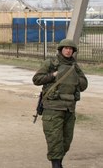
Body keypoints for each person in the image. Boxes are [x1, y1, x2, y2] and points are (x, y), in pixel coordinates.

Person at [32, 39, 88, 168]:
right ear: (61, 49)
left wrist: (75, 78)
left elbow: (84, 84)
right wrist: (53, 75)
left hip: (69, 109)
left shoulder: (74, 66)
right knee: (54, 140)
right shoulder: (51, 63)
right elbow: (36, 79)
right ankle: (56, 165)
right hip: (53, 108)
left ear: (73, 51)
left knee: (66, 141)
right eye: (66, 48)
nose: (68, 51)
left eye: (70, 49)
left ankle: (59, 163)